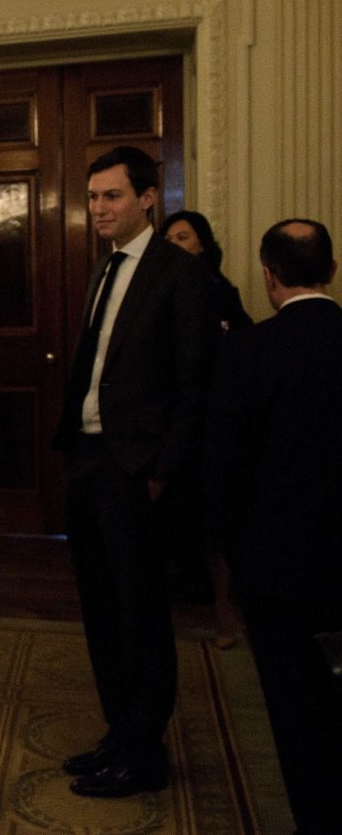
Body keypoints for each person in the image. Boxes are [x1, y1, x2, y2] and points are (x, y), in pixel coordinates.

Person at [52, 145, 208, 798]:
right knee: (101, 610)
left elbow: (196, 383)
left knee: (140, 616)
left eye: (111, 196)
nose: (98, 209)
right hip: (89, 464)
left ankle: (143, 751)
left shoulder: (179, 273)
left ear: (147, 197)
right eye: (92, 198)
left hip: (135, 472)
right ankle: (120, 732)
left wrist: (159, 471)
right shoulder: (104, 269)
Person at [206, 219, 341, 835]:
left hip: (277, 567)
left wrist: (231, 553)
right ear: (332, 272)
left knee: (295, 714)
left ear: (268, 276)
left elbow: (225, 467)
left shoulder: (246, 351)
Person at [160, 209, 250, 647]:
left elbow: (241, 347)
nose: (178, 244)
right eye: (170, 238)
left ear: (202, 244)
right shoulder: (156, 292)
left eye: (185, 236)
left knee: (214, 518)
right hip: (168, 422)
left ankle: (224, 614)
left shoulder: (219, 290)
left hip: (214, 421)